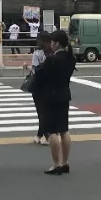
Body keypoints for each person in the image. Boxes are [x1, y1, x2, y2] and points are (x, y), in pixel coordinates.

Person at [32, 29, 75, 175]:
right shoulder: (71, 58)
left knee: (52, 131)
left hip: (50, 97)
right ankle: (65, 162)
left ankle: (56, 164)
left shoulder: (51, 60)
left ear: (56, 43)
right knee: (64, 130)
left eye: (52, 42)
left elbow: (39, 75)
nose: (50, 44)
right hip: (64, 95)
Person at [29, 32, 52, 145]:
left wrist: (27, 67)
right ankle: (39, 135)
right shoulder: (52, 53)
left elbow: (35, 70)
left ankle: (47, 136)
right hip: (50, 85)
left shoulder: (37, 53)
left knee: (41, 112)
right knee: (46, 111)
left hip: (38, 86)